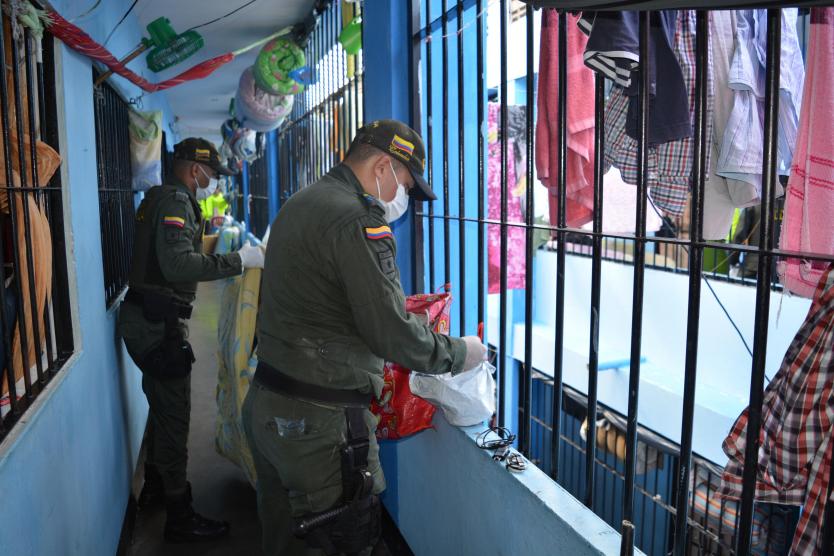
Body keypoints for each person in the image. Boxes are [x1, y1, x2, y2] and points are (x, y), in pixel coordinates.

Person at [243, 120, 487, 555]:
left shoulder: (302, 202)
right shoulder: (357, 220)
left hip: (268, 404)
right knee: (342, 541)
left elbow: (325, 302)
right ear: (382, 167)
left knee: (281, 541)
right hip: (318, 427)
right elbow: (390, 332)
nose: (404, 198)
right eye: (406, 184)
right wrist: (459, 353)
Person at [118, 137, 265, 543]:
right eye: (212, 174)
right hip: (156, 324)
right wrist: (239, 260)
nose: (213, 182)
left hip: (148, 318)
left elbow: (169, 258)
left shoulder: (159, 197)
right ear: (193, 169)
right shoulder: (177, 202)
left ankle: (156, 488)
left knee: (163, 411)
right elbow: (176, 262)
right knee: (175, 417)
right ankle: (179, 516)